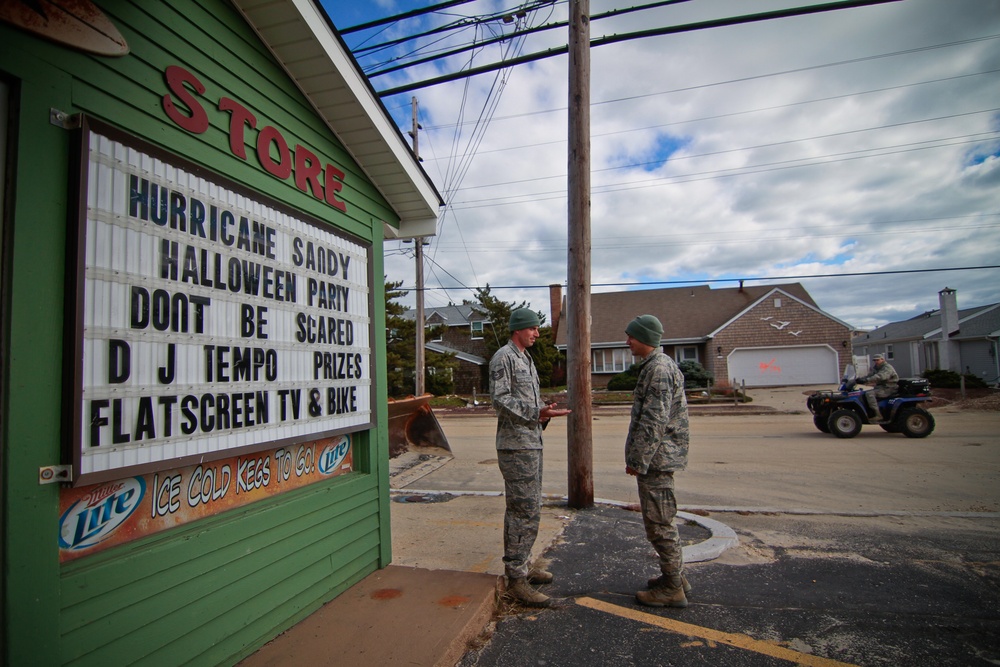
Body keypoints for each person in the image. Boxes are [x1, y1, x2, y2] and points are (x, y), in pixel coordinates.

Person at [489, 307, 571, 607]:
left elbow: (526, 402)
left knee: (532, 507)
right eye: (533, 328)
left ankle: (523, 565)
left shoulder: (526, 358)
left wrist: (543, 411)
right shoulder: (504, 357)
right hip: (515, 447)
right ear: (518, 329)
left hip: (530, 443)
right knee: (521, 509)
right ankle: (515, 579)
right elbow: (500, 400)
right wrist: (536, 413)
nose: (537, 333)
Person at [623, 314, 692, 608]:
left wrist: (638, 460)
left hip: (657, 460)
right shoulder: (655, 367)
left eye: (632, 337)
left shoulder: (660, 370)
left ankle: (673, 588)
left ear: (646, 339)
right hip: (658, 457)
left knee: (659, 522)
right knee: (660, 520)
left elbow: (654, 420)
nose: (628, 342)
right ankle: (673, 577)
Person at [858, 353, 898, 420]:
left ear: (882, 359)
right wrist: (860, 379)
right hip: (881, 387)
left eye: (877, 360)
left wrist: (867, 380)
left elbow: (880, 376)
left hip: (889, 388)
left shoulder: (887, 367)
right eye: (874, 360)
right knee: (862, 393)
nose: (876, 362)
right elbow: (870, 375)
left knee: (870, 394)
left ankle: (877, 414)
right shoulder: (877, 368)